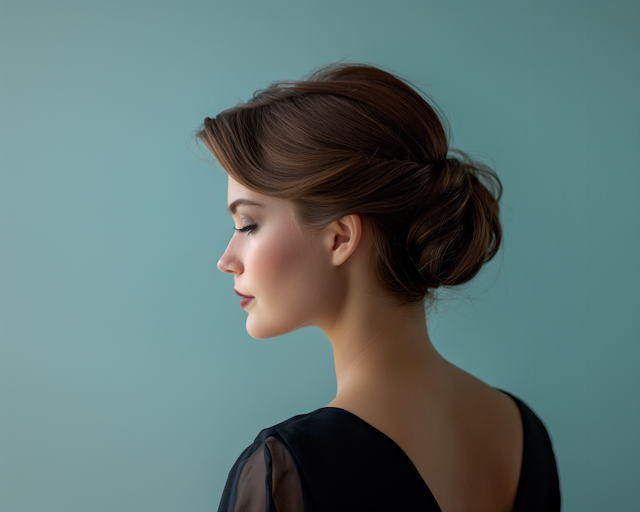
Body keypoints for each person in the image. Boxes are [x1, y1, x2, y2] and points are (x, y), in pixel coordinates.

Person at [197, 63, 560, 512]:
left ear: (341, 238)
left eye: (248, 224)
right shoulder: (523, 433)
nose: (225, 260)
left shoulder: (291, 467)